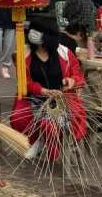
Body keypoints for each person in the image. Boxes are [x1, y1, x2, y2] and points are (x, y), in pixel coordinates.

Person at [10, 18, 87, 161]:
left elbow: (78, 76)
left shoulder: (65, 53)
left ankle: (51, 144)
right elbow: (24, 82)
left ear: (48, 34)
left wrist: (71, 81)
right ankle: (36, 140)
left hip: (63, 99)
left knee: (50, 123)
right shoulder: (23, 54)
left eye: (38, 31)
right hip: (34, 97)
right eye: (32, 30)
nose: (33, 33)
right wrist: (43, 91)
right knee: (18, 116)